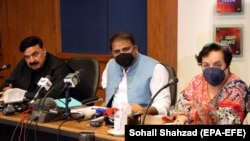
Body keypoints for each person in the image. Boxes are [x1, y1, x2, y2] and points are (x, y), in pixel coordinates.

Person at [167, 42, 249, 125]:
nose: (211, 70)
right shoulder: (197, 81)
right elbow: (181, 106)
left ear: (227, 65)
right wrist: (182, 117)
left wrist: (205, 113)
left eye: (217, 65)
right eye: (206, 65)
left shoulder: (237, 87)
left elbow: (231, 120)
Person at [101, 31, 171, 115]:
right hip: (112, 117)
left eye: (126, 49)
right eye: (117, 52)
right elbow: (108, 94)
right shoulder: (111, 65)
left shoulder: (156, 68)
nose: (122, 54)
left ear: (135, 49)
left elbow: (163, 104)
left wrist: (144, 111)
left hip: (141, 119)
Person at [0, 35, 71, 101]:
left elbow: (54, 95)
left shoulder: (58, 66)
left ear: (44, 50)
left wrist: (19, 94)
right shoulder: (23, 64)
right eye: (27, 57)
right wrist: (8, 90)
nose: (32, 60)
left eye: (35, 54)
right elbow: (6, 85)